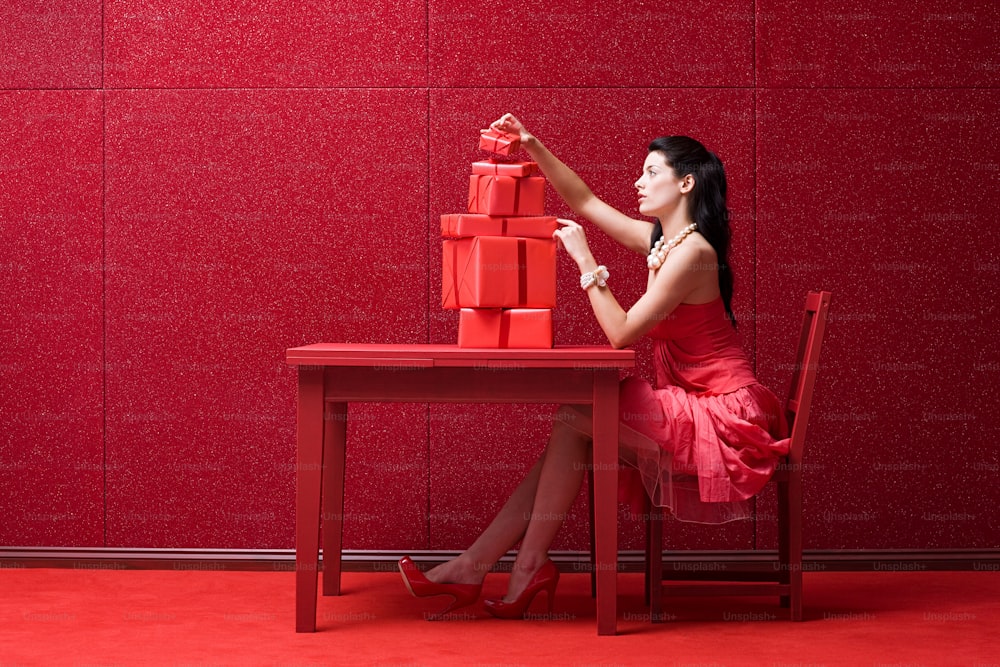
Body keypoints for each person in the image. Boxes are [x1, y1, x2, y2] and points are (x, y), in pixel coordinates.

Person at [399, 113, 790, 620]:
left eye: (652, 172)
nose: (638, 181)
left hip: (724, 417)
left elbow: (622, 333)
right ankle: (496, 565)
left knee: (574, 416)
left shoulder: (692, 254)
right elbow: (584, 201)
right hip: (697, 403)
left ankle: (498, 566)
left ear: (686, 183)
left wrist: (586, 261)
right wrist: (533, 144)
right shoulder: (665, 244)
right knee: (574, 420)